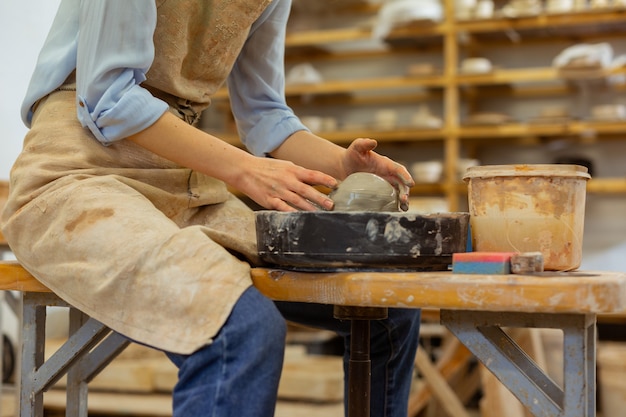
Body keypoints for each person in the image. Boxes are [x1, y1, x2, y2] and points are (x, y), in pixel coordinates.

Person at [1, 1, 421, 416]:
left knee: (386, 307)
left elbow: (264, 113)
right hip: (78, 176)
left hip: (182, 181)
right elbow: (108, 99)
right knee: (239, 330)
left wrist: (341, 164)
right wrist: (243, 169)